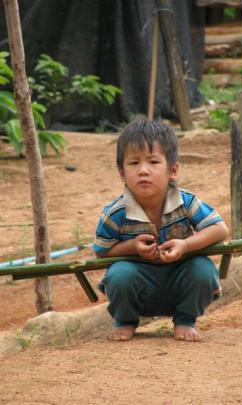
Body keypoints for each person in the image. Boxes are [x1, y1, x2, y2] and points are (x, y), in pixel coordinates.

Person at [92, 117, 228, 342]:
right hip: (139, 284)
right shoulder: (115, 213)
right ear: (121, 173)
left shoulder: (186, 202)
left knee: (203, 269)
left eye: (153, 162)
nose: (143, 171)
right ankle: (125, 321)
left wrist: (185, 244)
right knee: (119, 275)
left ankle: (185, 320)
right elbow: (101, 250)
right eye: (134, 163)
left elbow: (220, 229)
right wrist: (132, 247)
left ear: (173, 170)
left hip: (180, 280)